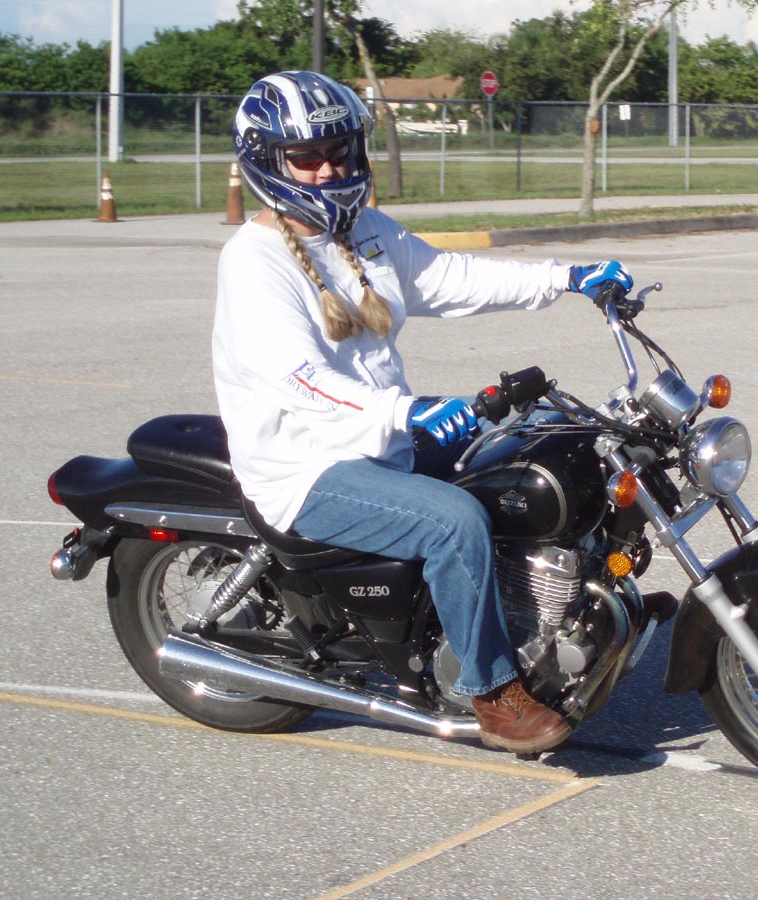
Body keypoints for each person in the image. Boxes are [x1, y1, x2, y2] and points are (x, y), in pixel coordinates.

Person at [212, 70, 635, 755]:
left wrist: (566, 277)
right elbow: (298, 379)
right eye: (307, 157)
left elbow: (451, 277)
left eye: (339, 152)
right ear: (268, 161)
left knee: (532, 446)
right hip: (304, 465)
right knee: (454, 521)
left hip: (378, 439)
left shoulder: (365, 232)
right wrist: (404, 412)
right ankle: (492, 692)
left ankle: (563, 607)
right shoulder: (254, 262)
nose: (328, 170)